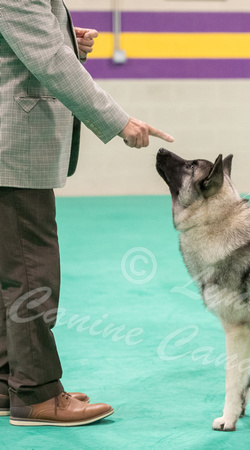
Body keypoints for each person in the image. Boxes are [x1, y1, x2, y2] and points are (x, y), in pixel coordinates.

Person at [0, 0, 173, 426]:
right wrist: (118, 120)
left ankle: (11, 381)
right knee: (30, 272)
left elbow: (31, 43)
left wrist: (63, 39)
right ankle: (37, 393)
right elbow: (51, 61)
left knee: (10, 272)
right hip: (13, 148)